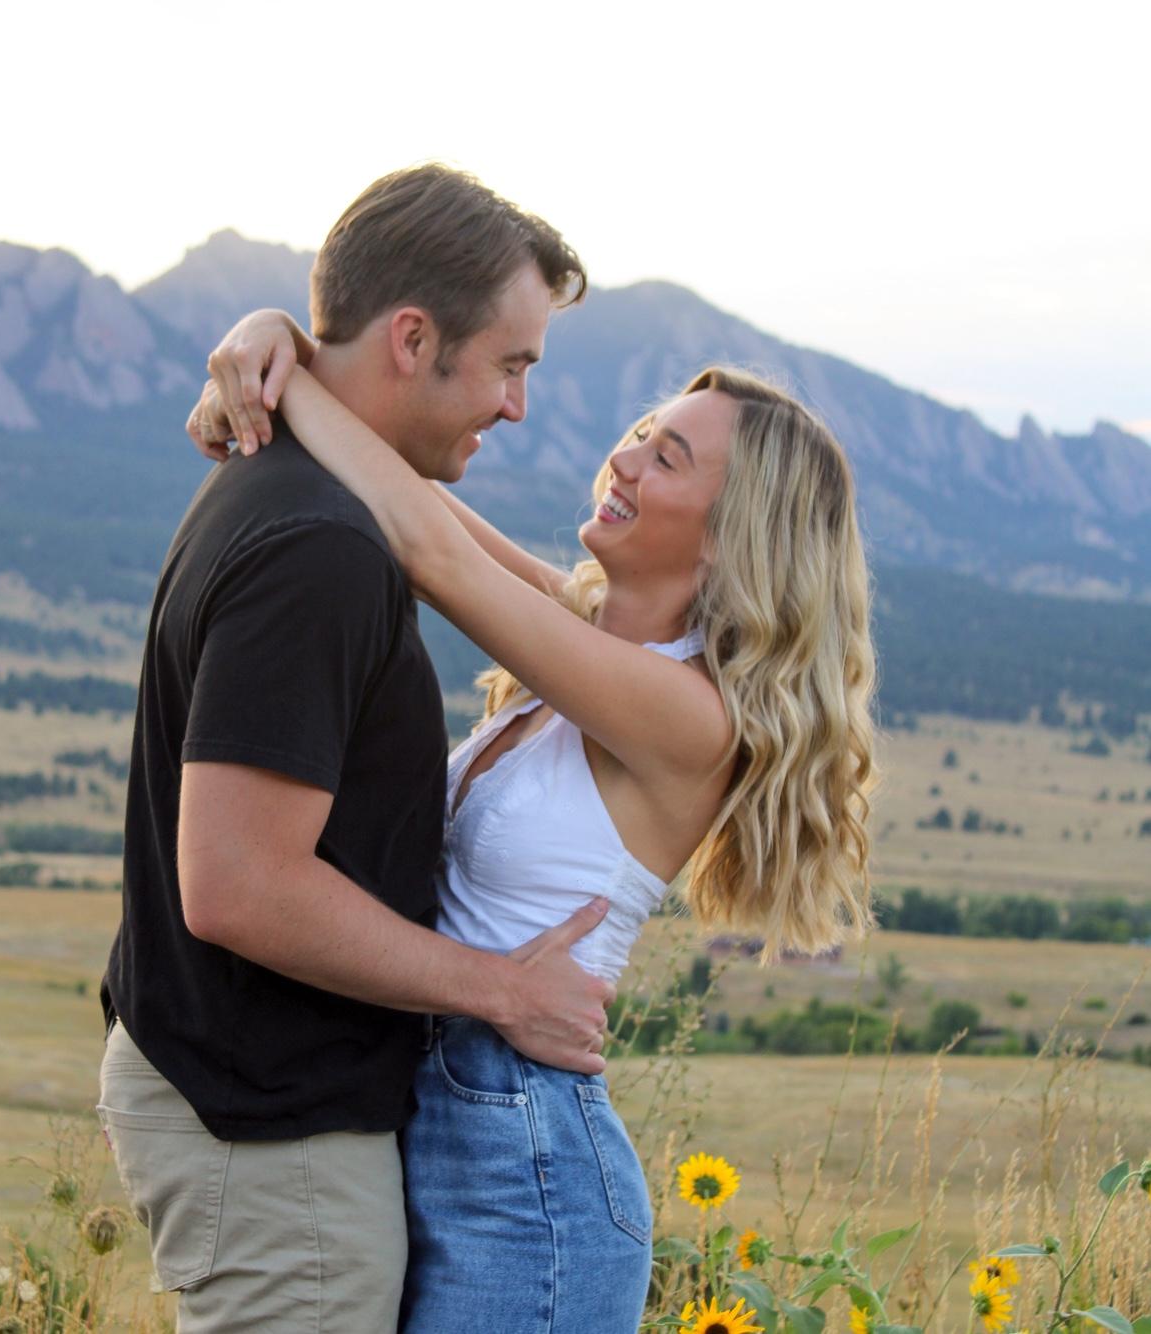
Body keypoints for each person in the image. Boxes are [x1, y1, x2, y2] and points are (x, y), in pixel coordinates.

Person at [188, 314, 879, 1330]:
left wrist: (282, 381)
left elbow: (428, 549)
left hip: (530, 1179)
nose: (624, 459)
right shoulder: (583, 636)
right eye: (640, 433)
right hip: (443, 1117)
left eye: (667, 457)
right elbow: (410, 497)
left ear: (733, 533)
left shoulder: (689, 715)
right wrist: (277, 335)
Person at [98, 164, 618, 1334]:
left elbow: (455, 553)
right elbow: (238, 884)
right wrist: (500, 988)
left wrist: (288, 351)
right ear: (413, 337)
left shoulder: (302, 491)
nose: (516, 405)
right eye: (509, 364)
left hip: (255, 1102)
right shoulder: (317, 545)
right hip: (267, 1128)